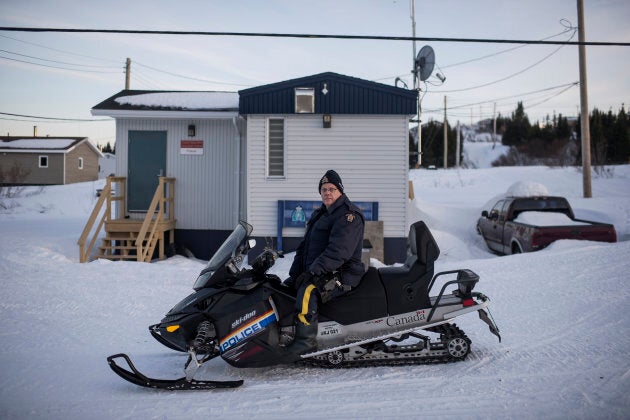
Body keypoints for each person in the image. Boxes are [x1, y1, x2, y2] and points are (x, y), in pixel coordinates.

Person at [284, 169, 365, 358]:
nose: (327, 193)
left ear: (340, 192)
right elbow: (305, 247)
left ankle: (305, 342)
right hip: (324, 271)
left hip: (342, 274)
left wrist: (312, 273)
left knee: (308, 291)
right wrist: (295, 274)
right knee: (285, 288)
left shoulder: (348, 216)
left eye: (332, 189)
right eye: (324, 189)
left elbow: (339, 251)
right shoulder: (321, 214)